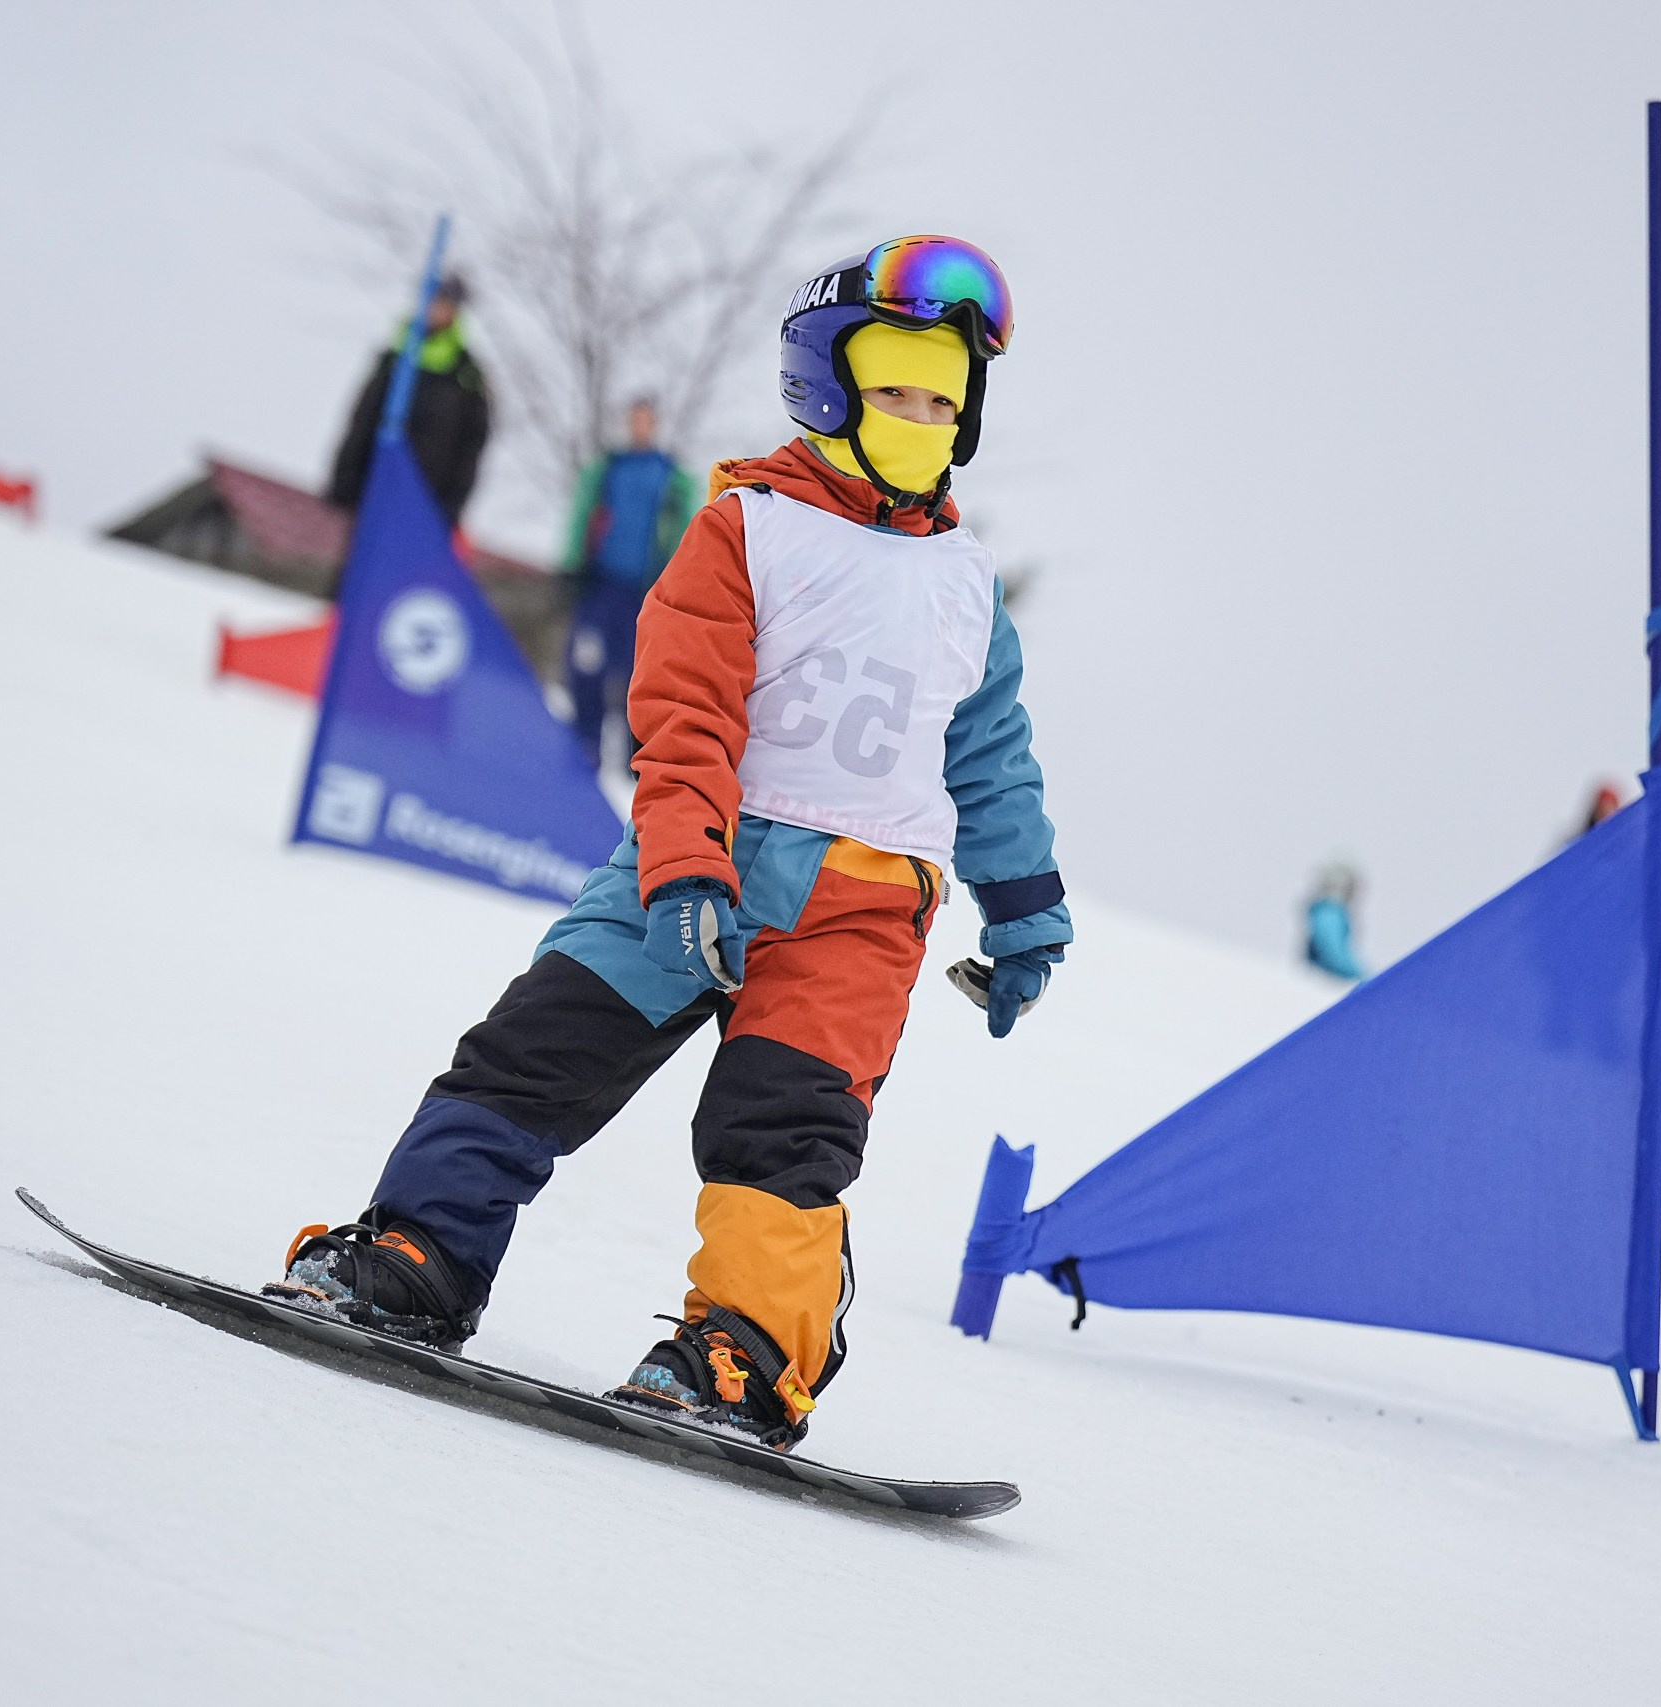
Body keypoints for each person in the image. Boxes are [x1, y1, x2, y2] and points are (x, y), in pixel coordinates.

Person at [267, 235, 1069, 1449]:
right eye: (894, 386)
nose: (919, 415)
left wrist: (1024, 912)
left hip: (859, 911)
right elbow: (685, 714)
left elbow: (991, 758)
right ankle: (420, 1255)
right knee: (530, 1053)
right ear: (827, 386)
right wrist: (688, 862)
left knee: (783, 1130)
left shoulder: (966, 584)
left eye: (941, 400)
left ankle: (744, 1352)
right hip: (693, 868)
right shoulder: (747, 530)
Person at [559, 397, 699, 769]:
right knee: (586, 663)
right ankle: (585, 740)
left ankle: (632, 753)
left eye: (646, 421)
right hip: (601, 585)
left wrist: (675, 583)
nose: (640, 427)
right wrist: (574, 561)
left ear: (654, 425)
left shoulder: (670, 476)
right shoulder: (609, 469)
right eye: (635, 420)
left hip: (643, 592)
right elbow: (583, 513)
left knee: (638, 674)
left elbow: (683, 529)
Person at [324, 273, 491, 532]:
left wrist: (451, 506)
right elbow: (362, 420)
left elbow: (471, 449)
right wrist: (343, 478)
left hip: (424, 498)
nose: (436, 309)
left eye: (445, 304)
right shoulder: (394, 360)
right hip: (372, 485)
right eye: (433, 300)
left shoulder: (465, 376)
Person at [1302, 862, 1366, 982]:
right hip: (1326, 985)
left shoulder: (1328, 913)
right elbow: (1334, 956)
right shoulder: (1329, 914)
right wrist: (1364, 978)